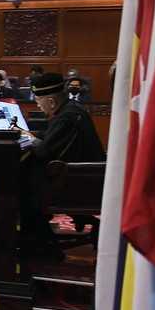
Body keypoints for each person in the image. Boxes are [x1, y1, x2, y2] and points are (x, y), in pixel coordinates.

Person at [18, 73, 106, 254]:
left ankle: (38, 243)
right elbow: (53, 142)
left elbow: (44, 152)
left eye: (38, 100)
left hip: (77, 183)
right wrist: (34, 137)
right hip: (86, 177)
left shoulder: (67, 117)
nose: (37, 105)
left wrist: (31, 141)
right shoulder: (72, 110)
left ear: (51, 101)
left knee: (20, 182)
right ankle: (38, 237)